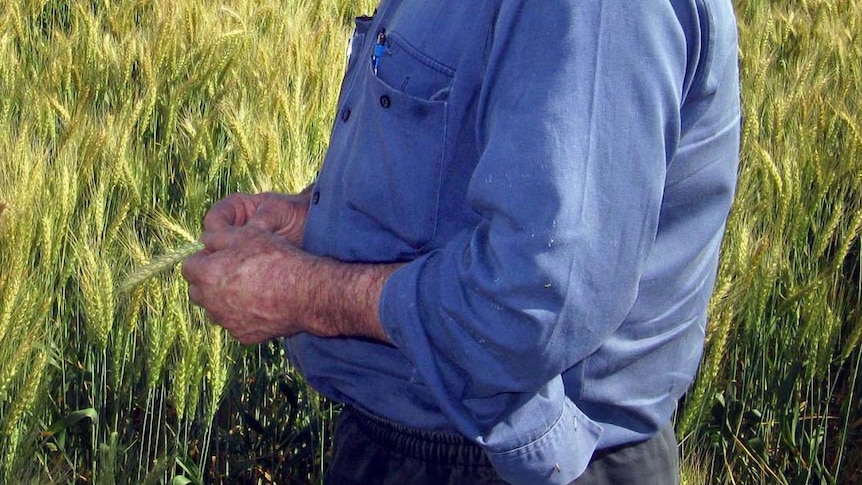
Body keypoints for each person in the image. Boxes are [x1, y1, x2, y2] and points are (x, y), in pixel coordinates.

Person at [182, 0, 741, 483]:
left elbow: (536, 299)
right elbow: (459, 163)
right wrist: (315, 218)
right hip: (419, 445)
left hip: (518, 462)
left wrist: (301, 292)